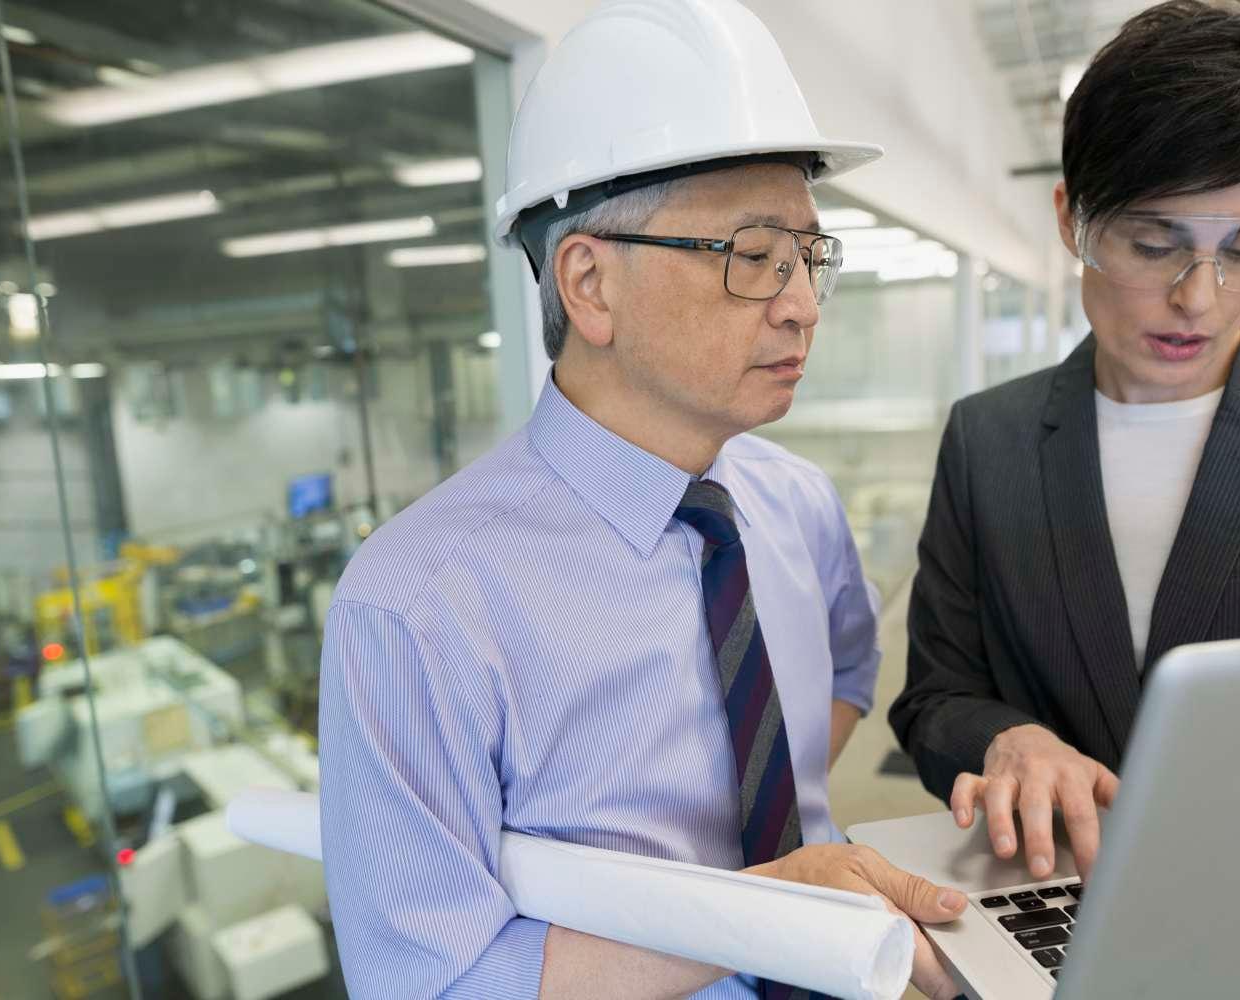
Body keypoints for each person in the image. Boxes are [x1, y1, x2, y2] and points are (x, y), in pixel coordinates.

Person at [319, 1, 967, 997]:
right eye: (755, 256)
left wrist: (759, 819)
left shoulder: (795, 507)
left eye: (809, 257)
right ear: (589, 284)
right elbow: (430, 985)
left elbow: (847, 667)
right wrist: (760, 907)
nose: (799, 301)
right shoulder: (419, 608)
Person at [891, 0, 1240, 886]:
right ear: (1071, 219)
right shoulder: (989, 438)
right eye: (1151, 243)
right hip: (1061, 893)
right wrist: (1008, 739)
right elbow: (935, 698)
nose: (1197, 300)